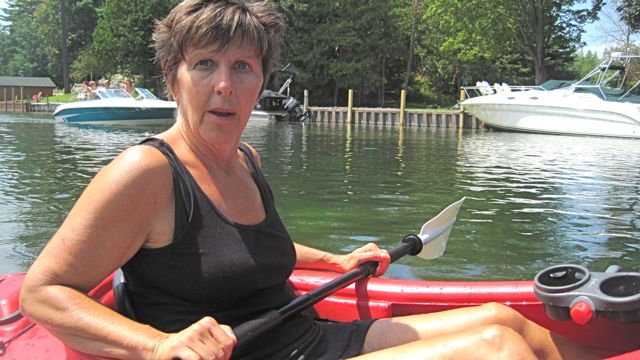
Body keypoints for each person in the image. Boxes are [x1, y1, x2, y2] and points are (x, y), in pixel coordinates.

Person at [20, 1, 599, 360]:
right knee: (495, 350)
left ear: (260, 82)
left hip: (307, 334)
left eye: (242, 67)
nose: (225, 84)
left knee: (505, 320)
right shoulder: (146, 172)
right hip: (251, 356)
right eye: (205, 64)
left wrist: (337, 259)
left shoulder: (245, 159)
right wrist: (157, 345)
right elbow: (43, 292)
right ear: (174, 79)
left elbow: (247, 250)